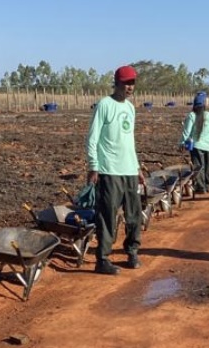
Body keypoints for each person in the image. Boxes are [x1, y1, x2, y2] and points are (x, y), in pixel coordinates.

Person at [85, 65, 143, 273]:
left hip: (129, 170)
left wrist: (137, 167)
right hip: (109, 170)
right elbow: (92, 138)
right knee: (107, 215)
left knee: (134, 214)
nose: (130, 87)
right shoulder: (104, 105)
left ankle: (132, 252)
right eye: (127, 83)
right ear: (117, 83)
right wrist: (93, 166)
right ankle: (102, 259)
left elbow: (130, 141)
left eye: (132, 83)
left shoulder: (130, 108)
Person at [180, 91, 209, 194]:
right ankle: (207, 185)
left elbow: (186, 132)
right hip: (208, 146)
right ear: (204, 103)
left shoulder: (192, 115)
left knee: (198, 167)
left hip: (196, 146)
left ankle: (201, 187)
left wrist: (182, 143)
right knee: (207, 167)